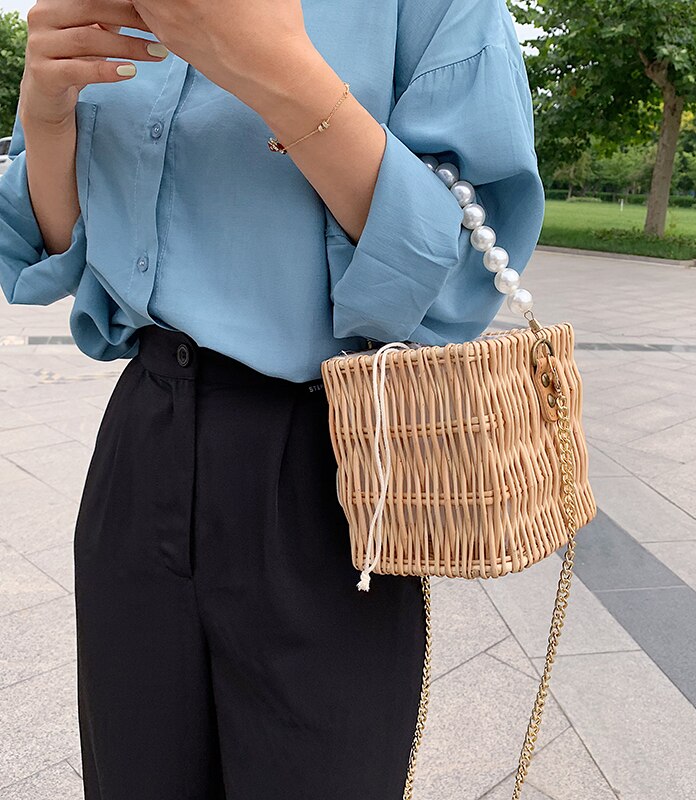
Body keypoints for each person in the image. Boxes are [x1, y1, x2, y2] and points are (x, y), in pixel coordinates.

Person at [0, 0, 546, 796]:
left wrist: (280, 72)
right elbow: (51, 243)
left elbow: (463, 274)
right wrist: (46, 115)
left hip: (330, 468)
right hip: (142, 442)